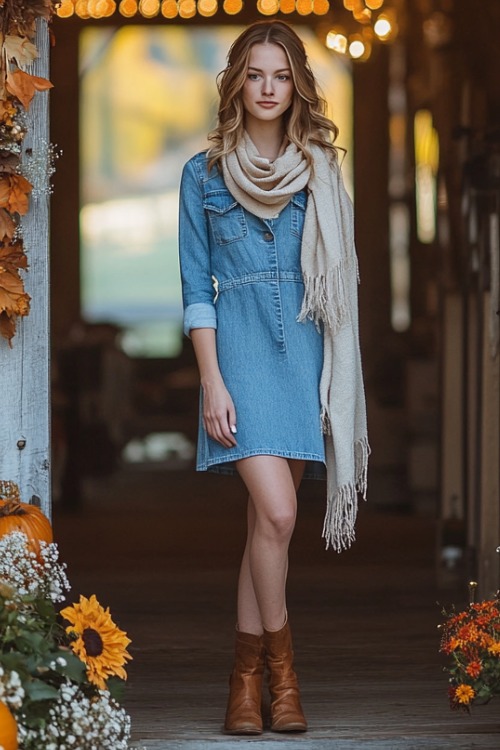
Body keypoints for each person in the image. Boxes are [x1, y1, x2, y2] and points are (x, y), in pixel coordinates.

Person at [178, 20, 369, 736]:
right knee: (282, 514)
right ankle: (285, 679)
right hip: (241, 357)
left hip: (307, 357)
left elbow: (339, 283)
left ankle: (243, 685)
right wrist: (212, 382)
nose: (267, 88)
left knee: (267, 526)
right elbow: (198, 289)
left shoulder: (321, 165)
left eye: (280, 76)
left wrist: (330, 383)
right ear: (237, 82)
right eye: (255, 75)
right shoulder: (202, 175)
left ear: (296, 86)